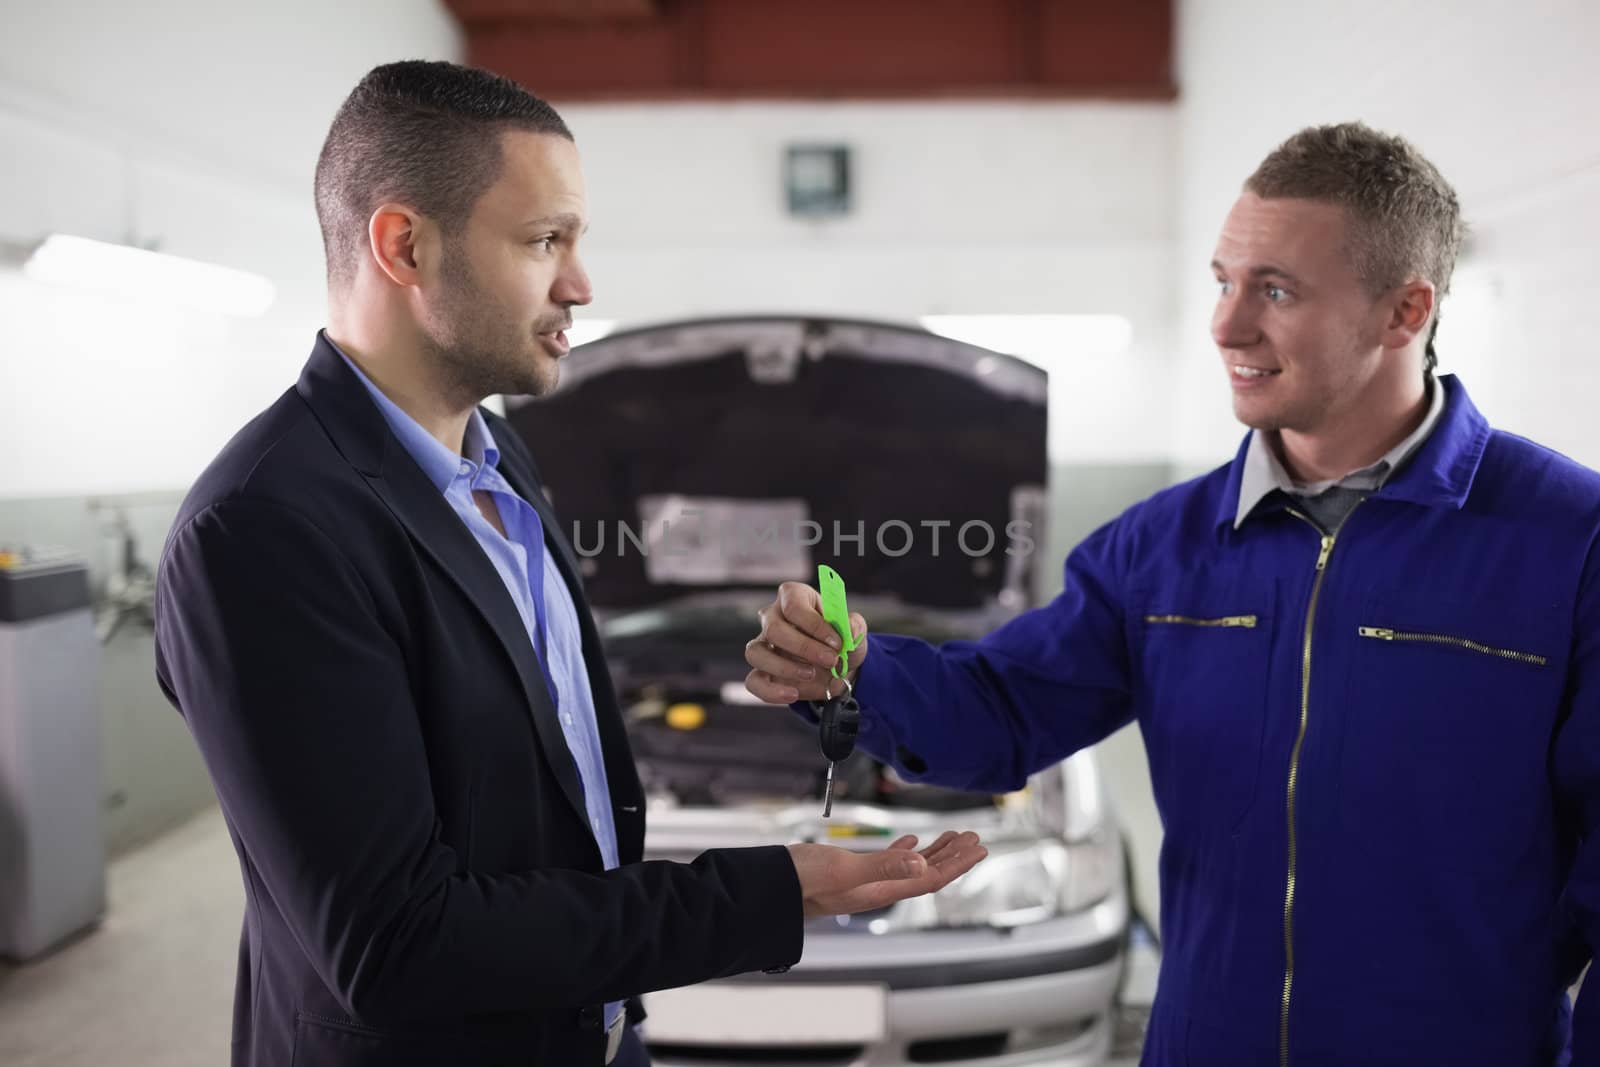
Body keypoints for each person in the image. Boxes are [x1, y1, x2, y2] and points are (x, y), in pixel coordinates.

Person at [153, 60, 985, 1067]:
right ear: (404, 244)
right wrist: (775, 886)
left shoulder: (501, 461)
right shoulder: (265, 528)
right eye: (544, 240)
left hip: (590, 1032)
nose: (580, 284)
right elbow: (395, 943)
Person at [746, 121, 1600, 1066]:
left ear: (1404, 311)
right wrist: (853, 672)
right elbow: (997, 714)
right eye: (1224, 281)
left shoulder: (1570, 543)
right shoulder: (1161, 548)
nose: (1228, 326)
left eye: (1276, 290)